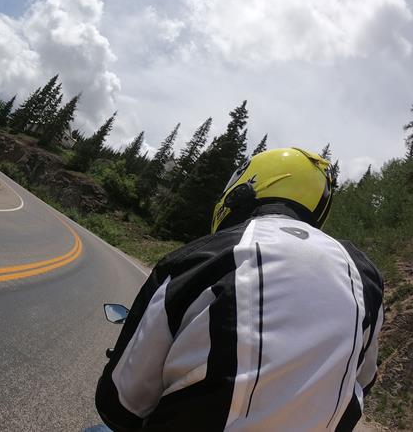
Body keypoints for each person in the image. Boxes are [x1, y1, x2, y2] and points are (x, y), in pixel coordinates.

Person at [95, 147, 384, 431]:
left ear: (244, 189)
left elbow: (122, 403)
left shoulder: (209, 255)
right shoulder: (365, 274)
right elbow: (363, 381)